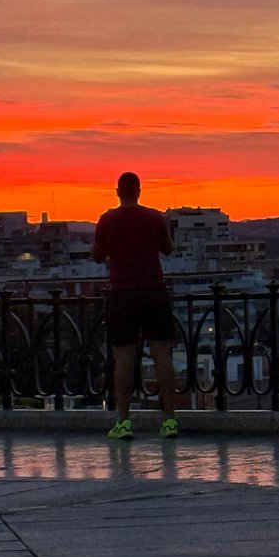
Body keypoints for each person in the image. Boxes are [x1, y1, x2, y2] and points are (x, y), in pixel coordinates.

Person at [91, 171, 178, 439]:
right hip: (154, 290)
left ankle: (124, 422)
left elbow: (96, 256)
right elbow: (168, 249)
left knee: (124, 356)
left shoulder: (107, 220)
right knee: (162, 355)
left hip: (122, 293)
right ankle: (169, 422)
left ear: (118, 192)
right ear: (140, 191)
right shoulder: (153, 217)